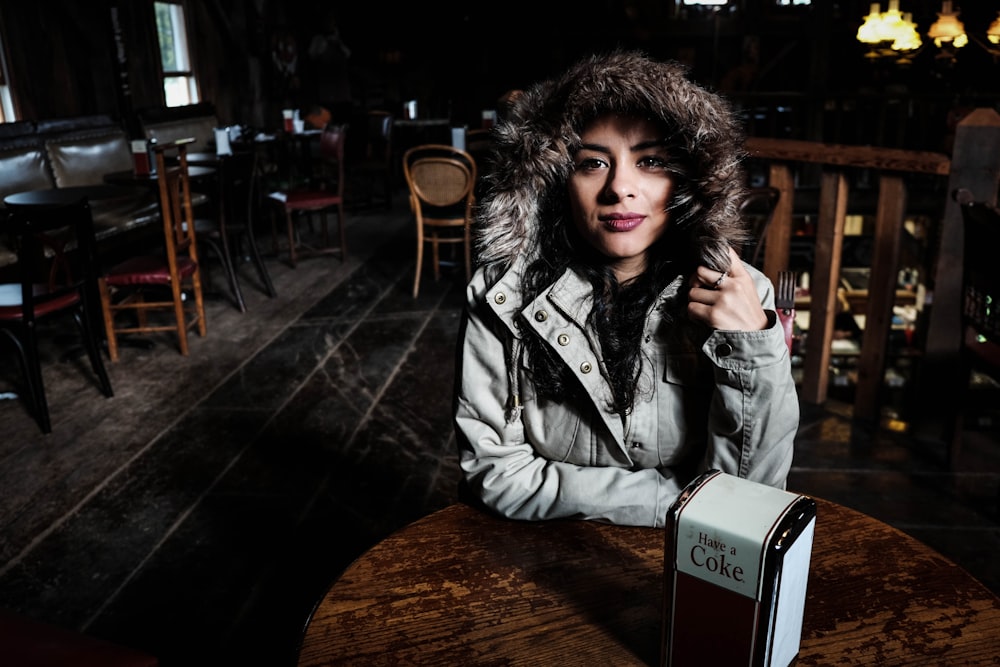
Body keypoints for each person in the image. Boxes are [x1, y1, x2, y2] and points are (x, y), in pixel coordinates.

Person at [453, 51, 799, 528]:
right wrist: (676, 500)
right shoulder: (502, 295)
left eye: (651, 161)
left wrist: (753, 349)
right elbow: (495, 473)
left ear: (687, 180)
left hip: (698, 563)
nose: (621, 187)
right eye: (593, 163)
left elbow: (751, 495)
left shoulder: (741, 299)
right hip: (537, 557)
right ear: (556, 181)